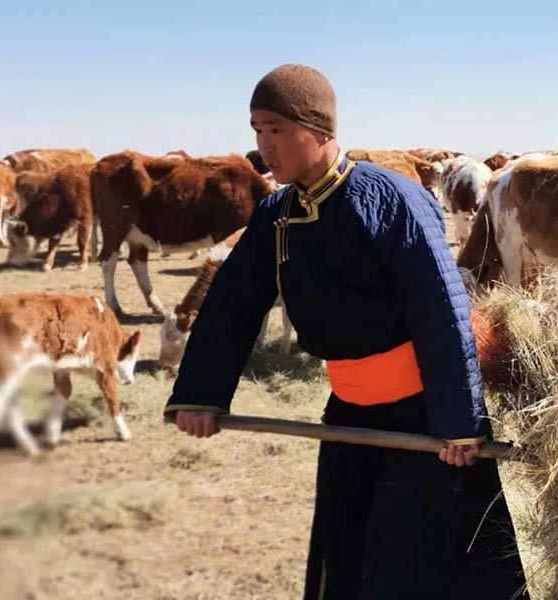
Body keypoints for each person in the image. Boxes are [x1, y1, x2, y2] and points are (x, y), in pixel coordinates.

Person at [164, 63, 530, 600]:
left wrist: (459, 423)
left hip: (424, 418)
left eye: (276, 130)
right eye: (257, 131)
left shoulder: (393, 202)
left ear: (318, 130)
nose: (264, 146)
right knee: (348, 552)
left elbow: (442, 313)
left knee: (414, 566)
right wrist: (200, 395)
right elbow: (231, 308)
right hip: (349, 413)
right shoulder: (277, 215)